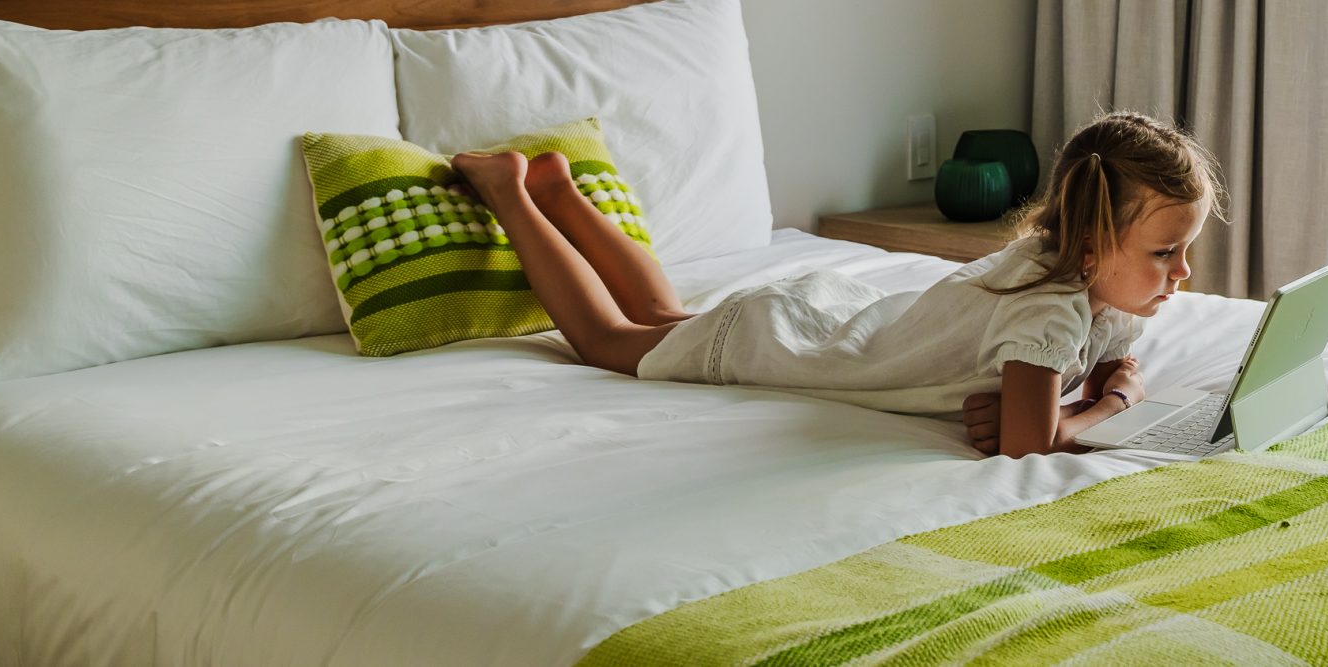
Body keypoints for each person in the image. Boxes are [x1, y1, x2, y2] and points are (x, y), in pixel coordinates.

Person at [450, 110, 1221, 458]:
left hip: (819, 316)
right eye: (1165, 253)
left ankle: (561, 195)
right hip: (788, 344)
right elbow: (1028, 442)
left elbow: (1036, 412)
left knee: (666, 314)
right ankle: (512, 193)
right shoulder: (1048, 311)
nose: (1181, 273)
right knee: (609, 339)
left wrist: (1075, 399)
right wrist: (1115, 401)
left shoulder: (1077, 276)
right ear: (1092, 242)